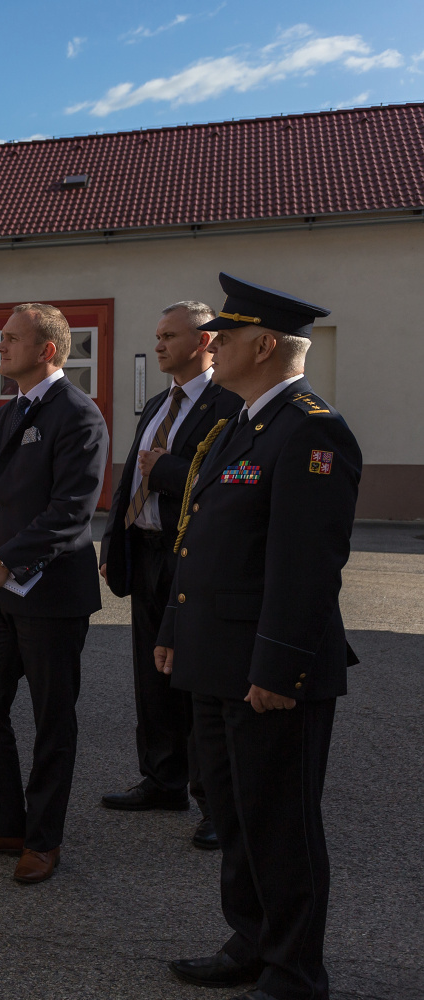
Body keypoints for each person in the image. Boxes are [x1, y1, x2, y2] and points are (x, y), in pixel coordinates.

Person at [156, 274, 360, 1000]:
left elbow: (305, 567)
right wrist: (178, 627)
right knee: (238, 817)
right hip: (216, 659)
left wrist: (279, 668)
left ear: (265, 345)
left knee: (280, 824)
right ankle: (251, 941)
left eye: (228, 336)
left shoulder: (311, 430)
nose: (215, 346)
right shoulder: (238, 424)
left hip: (266, 672)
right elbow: (200, 539)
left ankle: (295, 969)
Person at [0, 303, 109, 885]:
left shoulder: (79, 416)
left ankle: (43, 838)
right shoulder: (11, 412)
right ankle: (3, 821)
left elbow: (71, 513)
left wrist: (4, 562)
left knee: (51, 719)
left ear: (47, 350)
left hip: (50, 597)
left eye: (11, 339)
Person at [99, 301, 242, 849]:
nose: (157, 344)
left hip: (194, 558)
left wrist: (170, 471)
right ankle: (163, 780)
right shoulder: (159, 403)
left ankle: (213, 803)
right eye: (156, 335)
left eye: (169, 336)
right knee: (151, 675)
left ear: (204, 341)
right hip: (149, 552)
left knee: (196, 678)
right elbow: (130, 472)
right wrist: (114, 540)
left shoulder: (230, 402)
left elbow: (225, 482)